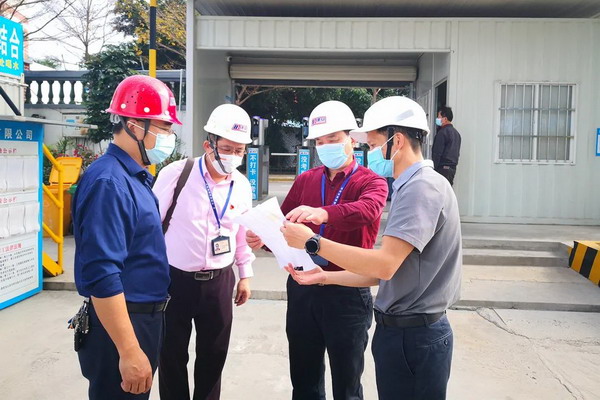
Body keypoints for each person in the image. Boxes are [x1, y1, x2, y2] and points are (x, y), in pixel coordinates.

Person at [282, 96, 462, 400]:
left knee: (347, 384)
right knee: (305, 377)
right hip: (400, 325)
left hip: (413, 332)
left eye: (375, 144)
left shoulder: (420, 188)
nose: (371, 151)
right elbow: (387, 272)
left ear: (397, 141)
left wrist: (314, 241)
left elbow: (384, 265)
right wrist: (323, 276)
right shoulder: (408, 185)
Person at [247, 100, 388, 400]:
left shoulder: (371, 182)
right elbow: (283, 225)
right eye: (320, 142)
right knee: (304, 380)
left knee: (347, 384)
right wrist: (263, 238)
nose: (326, 146)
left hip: (347, 290)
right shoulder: (306, 180)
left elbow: (367, 210)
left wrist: (323, 213)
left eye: (333, 139)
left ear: (351, 140)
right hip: (303, 289)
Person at [72, 75, 181, 399]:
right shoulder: (109, 183)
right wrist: (130, 350)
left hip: (142, 317)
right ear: (134, 126)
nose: (169, 137)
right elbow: (102, 273)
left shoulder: (133, 176)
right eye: (163, 127)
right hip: (122, 324)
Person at [153, 104, 255, 400]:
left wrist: (245, 275)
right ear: (208, 145)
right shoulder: (177, 174)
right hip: (174, 280)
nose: (233, 156)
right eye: (227, 149)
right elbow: (150, 226)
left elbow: (240, 233)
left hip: (220, 281)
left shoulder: (241, 185)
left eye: (239, 150)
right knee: (171, 354)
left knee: (214, 354)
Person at [432, 105, 461, 186]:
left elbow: (437, 153)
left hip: (442, 169)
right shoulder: (457, 134)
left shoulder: (442, 133)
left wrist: (433, 168)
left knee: (439, 190)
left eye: (439, 117)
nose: (437, 119)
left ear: (445, 119)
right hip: (452, 169)